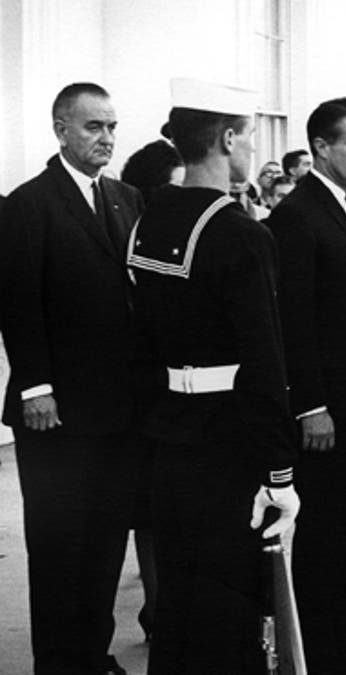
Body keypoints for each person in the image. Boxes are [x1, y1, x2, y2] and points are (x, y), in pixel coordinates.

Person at [126, 77, 299, 673]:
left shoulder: (152, 219)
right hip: (229, 442)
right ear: (227, 139)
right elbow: (265, 360)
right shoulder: (239, 232)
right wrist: (279, 474)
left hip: (171, 434)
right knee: (231, 607)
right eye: (248, 138)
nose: (251, 152)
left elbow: (142, 339)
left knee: (179, 601)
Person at [0, 82, 146, 675]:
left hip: (118, 408)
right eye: (93, 127)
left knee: (107, 539)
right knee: (60, 544)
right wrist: (36, 386)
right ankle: (58, 662)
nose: (106, 138)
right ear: (61, 129)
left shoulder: (128, 198)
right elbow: (16, 300)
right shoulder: (28, 203)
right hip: (55, 410)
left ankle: (92, 651)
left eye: (111, 126)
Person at [267, 97, 346, 674]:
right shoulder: (299, 215)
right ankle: (323, 655)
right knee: (327, 543)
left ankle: (339, 650)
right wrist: (311, 404)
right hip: (329, 416)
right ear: (321, 147)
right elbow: (295, 320)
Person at [120, 136, 187, 642]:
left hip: (175, 390)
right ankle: (160, 608)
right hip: (144, 390)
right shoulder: (137, 234)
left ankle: (168, 605)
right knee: (151, 507)